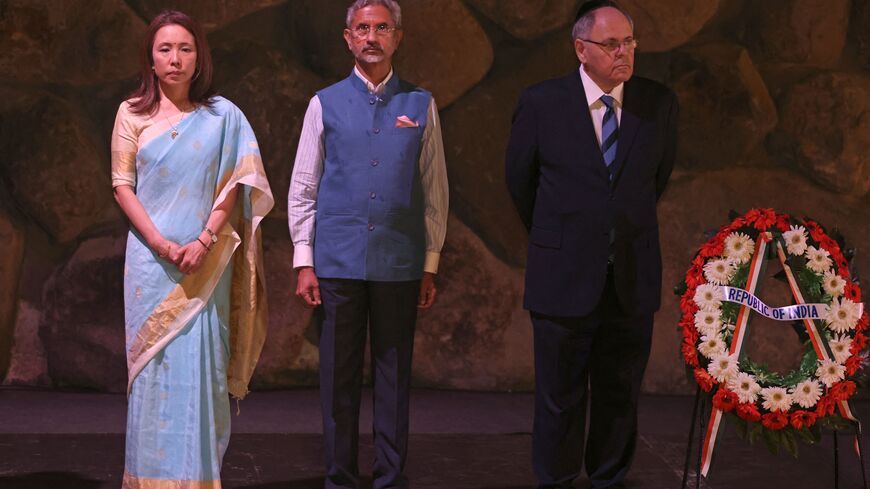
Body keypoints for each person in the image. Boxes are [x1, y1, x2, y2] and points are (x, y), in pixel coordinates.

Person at [505, 1, 679, 488]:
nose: (623, 52)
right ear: (581, 49)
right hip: (563, 275)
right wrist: (564, 235)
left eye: (629, 42)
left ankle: (609, 478)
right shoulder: (542, 102)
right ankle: (556, 479)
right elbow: (521, 183)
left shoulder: (657, 104)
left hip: (629, 275)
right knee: (559, 394)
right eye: (611, 44)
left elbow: (655, 181)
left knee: (619, 392)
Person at [288, 1, 449, 487]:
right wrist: (304, 260)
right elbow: (304, 185)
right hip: (336, 261)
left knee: (394, 377)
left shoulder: (420, 103)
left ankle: (389, 477)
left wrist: (430, 262)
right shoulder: (324, 103)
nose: (372, 36)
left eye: (382, 28)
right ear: (348, 37)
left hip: (399, 262)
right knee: (337, 378)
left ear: (398, 37)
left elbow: (434, 188)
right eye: (363, 28)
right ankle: (339, 477)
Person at [111, 10, 273, 487]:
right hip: (150, 266)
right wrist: (161, 243)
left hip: (205, 263)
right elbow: (123, 186)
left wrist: (203, 240)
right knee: (152, 374)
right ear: (151, 58)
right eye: (165, 49)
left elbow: (237, 183)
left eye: (185, 48)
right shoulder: (131, 113)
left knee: (201, 374)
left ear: (198, 56)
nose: (176, 58)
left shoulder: (223, 116)